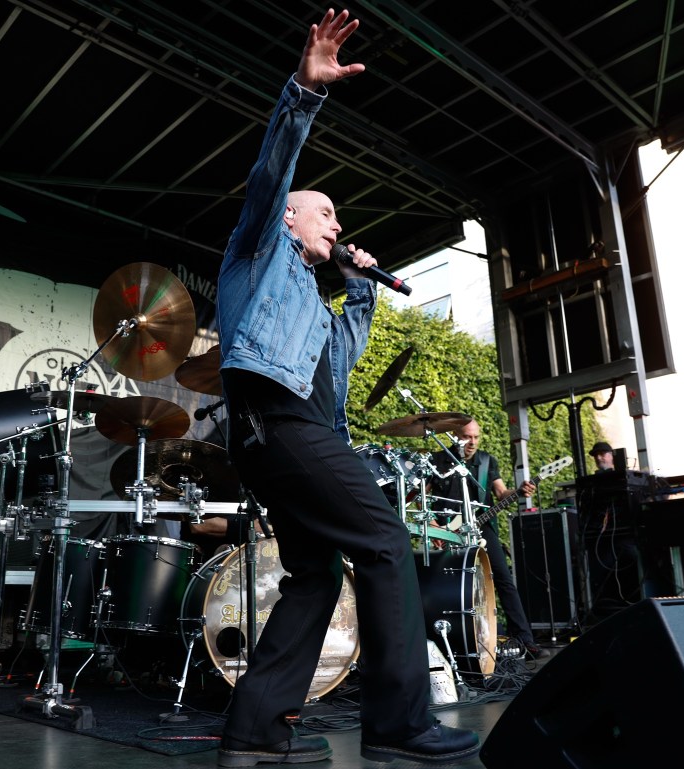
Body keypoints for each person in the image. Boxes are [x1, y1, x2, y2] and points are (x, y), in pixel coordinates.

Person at [214, 9, 481, 767]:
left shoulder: (310, 298)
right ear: (289, 219)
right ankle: (398, 723)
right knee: (386, 541)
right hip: (277, 424)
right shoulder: (257, 249)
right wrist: (305, 90)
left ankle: (254, 734)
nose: (335, 224)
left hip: (291, 434)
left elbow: (342, 354)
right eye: (324, 213)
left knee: (316, 573)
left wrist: (359, 281)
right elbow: (271, 173)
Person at [427, 418, 549, 660]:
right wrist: (431, 524)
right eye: (467, 437)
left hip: (482, 526)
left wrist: (520, 490)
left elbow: (501, 493)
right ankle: (456, 645)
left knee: (503, 579)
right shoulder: (438, 460)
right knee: (451, 587)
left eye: (476, 437)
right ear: (454, 435)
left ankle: (526, 641)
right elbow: (421, 495)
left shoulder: (486, 461)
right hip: (447, 532)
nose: (472, 442)